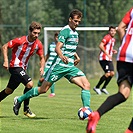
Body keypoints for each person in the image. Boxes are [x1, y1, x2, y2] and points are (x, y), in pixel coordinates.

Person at [13, 9, 92, 117]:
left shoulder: (75, 33)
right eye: (75, 21)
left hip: (70, 66)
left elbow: (70, 49)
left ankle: (87, 111)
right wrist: (61, 56)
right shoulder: (65, 30)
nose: (77, 23)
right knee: (43, 89)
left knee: (86, 85)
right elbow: (58, 48)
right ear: (70, 19)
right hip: (59, 66)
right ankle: (19, 99)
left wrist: (77, 56)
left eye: (79, 21)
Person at [86, 8, 133, 133]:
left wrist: (125, 44)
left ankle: (97, 114)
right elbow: (102, 45)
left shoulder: (132, 10)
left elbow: (121, 27)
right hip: (109, 57)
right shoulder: (107, 37)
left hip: (124, 55)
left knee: (123, 93)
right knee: (109, 74)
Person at [0, 21, 45, 118]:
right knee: (30, 84)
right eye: (34, 33)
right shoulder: (20, 40)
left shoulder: (38, 44)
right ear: (29, 31)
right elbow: (5, 46)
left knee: (8, 91)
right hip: (14, 66)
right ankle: (26, 109)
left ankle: (24, 108)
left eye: (38, 33)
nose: (36, 35)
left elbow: (42, 57)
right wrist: (6, 61)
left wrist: (42, 67)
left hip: (22, 69)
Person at [93, 26, 117, 95]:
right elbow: (101, 45)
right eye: (111, 31)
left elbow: (108, 48)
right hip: (103, 58)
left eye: (114, 31)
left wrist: (112, 51)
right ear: (109, 31)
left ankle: (103, 88)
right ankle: (97, 87)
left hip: (108, 59)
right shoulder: (107, 37)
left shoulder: (113, 39)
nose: (113, 32)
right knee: (107, 74)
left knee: (112, 73)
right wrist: (106, 54)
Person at [37, 32, 58, 97]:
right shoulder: (51, 45)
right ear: (54, 37)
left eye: (58, 37)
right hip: (48, 65)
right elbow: (48, 55)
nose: (57, 38)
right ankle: (38, 88)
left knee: (52, 78)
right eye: (56, 37)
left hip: (54, 66)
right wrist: (43, 63)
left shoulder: (61, 46)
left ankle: (52, 93)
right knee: (42, 79)